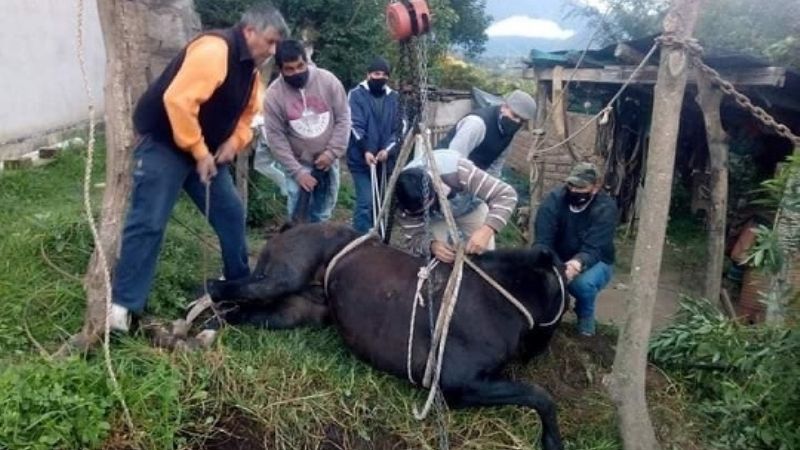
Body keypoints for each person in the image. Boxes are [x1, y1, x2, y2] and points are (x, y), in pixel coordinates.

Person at [110, 3, 289, 331]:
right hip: (165, 144)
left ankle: (238, 285)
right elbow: (177, 100)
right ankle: (122, 308)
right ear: (249, 31)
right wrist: (198, 150)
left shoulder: (250, 69)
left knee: (231, 212)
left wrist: (232, 143)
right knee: (148, 221)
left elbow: (250, 116)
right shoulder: (214, 50)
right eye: (271, 41)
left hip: (203, 152)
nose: (274, 50)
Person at [263, 39, 351, 223]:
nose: (297, 72)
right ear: (281, 69)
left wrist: (332, 152)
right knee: (298, 217)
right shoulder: (274, 95)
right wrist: (297, 172)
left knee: (322, 214)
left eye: (300, 66)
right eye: (290, 69)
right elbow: (275, 137)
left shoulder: (328, 81)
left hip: (327, 160)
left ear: (306, 61)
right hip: (298, 162)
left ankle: (320, 251)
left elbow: (343, 117)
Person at [533, 162, 617, 336]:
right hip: (559, 255)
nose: (574, 190)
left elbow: (593, 249)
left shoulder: (605, 208)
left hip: (597, 260)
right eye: (571, 185)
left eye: (581, 186)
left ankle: (585, 317)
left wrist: (575, 265)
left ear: (595, 188)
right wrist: (550, 265)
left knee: (581, 285)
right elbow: (543, 240)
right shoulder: (554, 200)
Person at [394, 149, 518, 263]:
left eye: (430, 205)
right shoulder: (404, 202)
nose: (427, 209)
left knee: (485, 257)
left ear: (436, 188)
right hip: (436, 218)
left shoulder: (457, 170)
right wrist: (431, 245)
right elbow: (414, 237)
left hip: (470, 208)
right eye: (422, 211)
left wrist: (487, 230)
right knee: (439, 260)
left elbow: (506, 194)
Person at [347, 56, 402, 234]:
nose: (381, 77)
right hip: (361, 158)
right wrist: (366, 150)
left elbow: (400, 127)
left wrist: (387, 149)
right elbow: (355, 124)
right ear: (368, 74)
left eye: (385, 74)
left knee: (380, 202)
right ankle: (359, 239)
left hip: (384, 160)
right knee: (366, 201)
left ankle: (376, 235)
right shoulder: (356, 95)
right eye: (377, 73)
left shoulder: (395, 98)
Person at [437, 89, 537, 177]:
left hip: (470, 178)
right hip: (441, 171)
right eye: (514, 115)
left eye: (522, 121)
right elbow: (453, 159)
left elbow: (496, 166)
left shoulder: (509, 133)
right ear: (504, 107)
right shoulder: (476, 124)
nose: (517, 122)